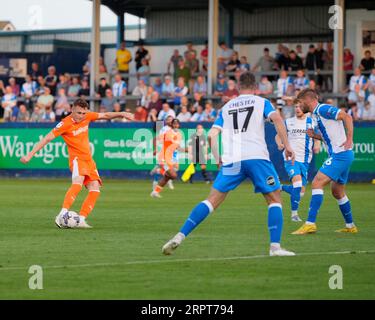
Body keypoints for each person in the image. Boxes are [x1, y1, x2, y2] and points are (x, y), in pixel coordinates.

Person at [162, 71, 296, 257]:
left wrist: (218, 158)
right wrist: (287, 145)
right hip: (257, 157)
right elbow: (278, 119)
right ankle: (275, 248)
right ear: (255, 87)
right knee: (274, 199)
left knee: (211, 200)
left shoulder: (226, 107)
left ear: (239, 87)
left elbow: (211, 135)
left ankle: (180, 235)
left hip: (232, 159)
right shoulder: (262, 102)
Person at [20, 99, 134, 228]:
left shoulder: (87, 116)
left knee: (95, 189)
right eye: (79, 112)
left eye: (84, 113)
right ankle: (62, 214)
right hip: (77, 159)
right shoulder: (64, 124)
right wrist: (30, 154)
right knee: (78, 183)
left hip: (89, 160)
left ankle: (81, 219)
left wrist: (122, 113)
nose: (81, 116)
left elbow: (106, 115)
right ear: (72, 109)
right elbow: (47, 138)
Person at [291, 89, 357, 235]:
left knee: (316, 183)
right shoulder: (316, 114)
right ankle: (350, 226)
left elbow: (347, 117)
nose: (300, 107)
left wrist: (350, 138)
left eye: (301, 103)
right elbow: (329, 136)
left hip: (341, 154)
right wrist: (315, 136)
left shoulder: (323, 109)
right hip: (341, 154)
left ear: (308, 101)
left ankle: (310, 224)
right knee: (337, 192)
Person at [275, 103, 318, 222]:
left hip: (305, 160)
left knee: (300, 192)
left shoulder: (312, 122)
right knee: (298, 185)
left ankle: (280, 187)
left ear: (305, 109)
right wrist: (279, 143)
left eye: (300, 107)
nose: (297, 109)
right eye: (296, 107)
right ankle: (294, 215)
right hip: (291, 158)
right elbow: (278, 136)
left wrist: (318, 145)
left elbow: (316, 137)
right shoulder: (288, 122)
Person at [151, 118, 183, 198]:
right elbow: (155, 139)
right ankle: (159, 170)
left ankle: (155, 192)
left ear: (179, 125)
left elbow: (176, 147)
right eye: (174, 124)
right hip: (163, 158)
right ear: (172, 125)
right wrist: (155, 149)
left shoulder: (179, 134)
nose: (176, 125)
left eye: (177, 124)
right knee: (173, 175)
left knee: (168, 176)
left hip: (171, 157)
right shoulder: (168, 133)